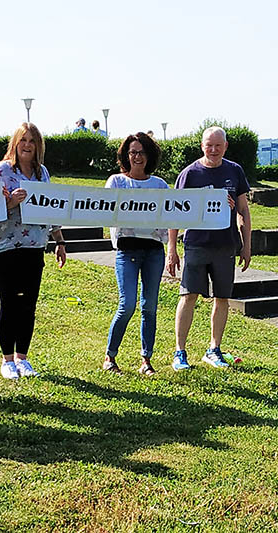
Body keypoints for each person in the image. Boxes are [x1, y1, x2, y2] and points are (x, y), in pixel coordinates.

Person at [0, 123, 67, 379]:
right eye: (23, 140)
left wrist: (59, 241)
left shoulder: (42, 174)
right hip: (3, 247)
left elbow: (50, 209)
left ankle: (23, 357)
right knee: (10, 302)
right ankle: (7, 360)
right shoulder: (0, 172)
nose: (27, 145)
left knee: (28, 304)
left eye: (32, 141)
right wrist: (10, 203)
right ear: (15, 143)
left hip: (34, 246)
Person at [166, 126, 251, 370]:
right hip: (196, 245)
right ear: (202, 146)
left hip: (226, 245)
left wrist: (246, 246)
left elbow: (243, 210)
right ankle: (179, 352)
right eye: (208, 145)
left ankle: (214, 349)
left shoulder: (235, 171)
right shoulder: (189, 174)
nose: (213, 150)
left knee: (222, 297)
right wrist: (172, 248)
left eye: (218, 145)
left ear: (225, 147)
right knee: (188, 295)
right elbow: (175, 213)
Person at [103, 133, 168, 375]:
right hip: (127, 250)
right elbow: (106, 209)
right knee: (127, 304)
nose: (137, 157)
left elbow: (174, 214)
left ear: (148, 155)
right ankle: (110, 357)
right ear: (125, 155)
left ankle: (146, 360)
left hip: (153, 251)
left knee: (149, 307)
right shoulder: (117, 182)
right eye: (132, 152)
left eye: (141, 152)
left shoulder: (160, 185)